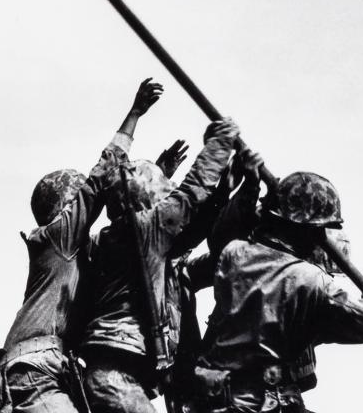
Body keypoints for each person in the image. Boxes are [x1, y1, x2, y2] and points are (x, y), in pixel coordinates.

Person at [0, 78, 175, 413]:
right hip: (33, 370)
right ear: (63, 205)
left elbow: (130, 233)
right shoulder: (56, 239)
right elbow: (100, 181)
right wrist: (134, 115)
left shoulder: (79, 252)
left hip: (54, 370)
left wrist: (152, 181)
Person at [192, 170, 363, 413]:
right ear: (309, 229)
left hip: (212, 397)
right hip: (256, 402)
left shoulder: (234, 252)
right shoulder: (309, 280)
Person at [78, 118, 241, 413]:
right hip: (114, 376)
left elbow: (191, 230)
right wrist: (220, 143)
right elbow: (190, 196)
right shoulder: (140, 231)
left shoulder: (134, 238)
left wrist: (222, 194)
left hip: (119, 374)